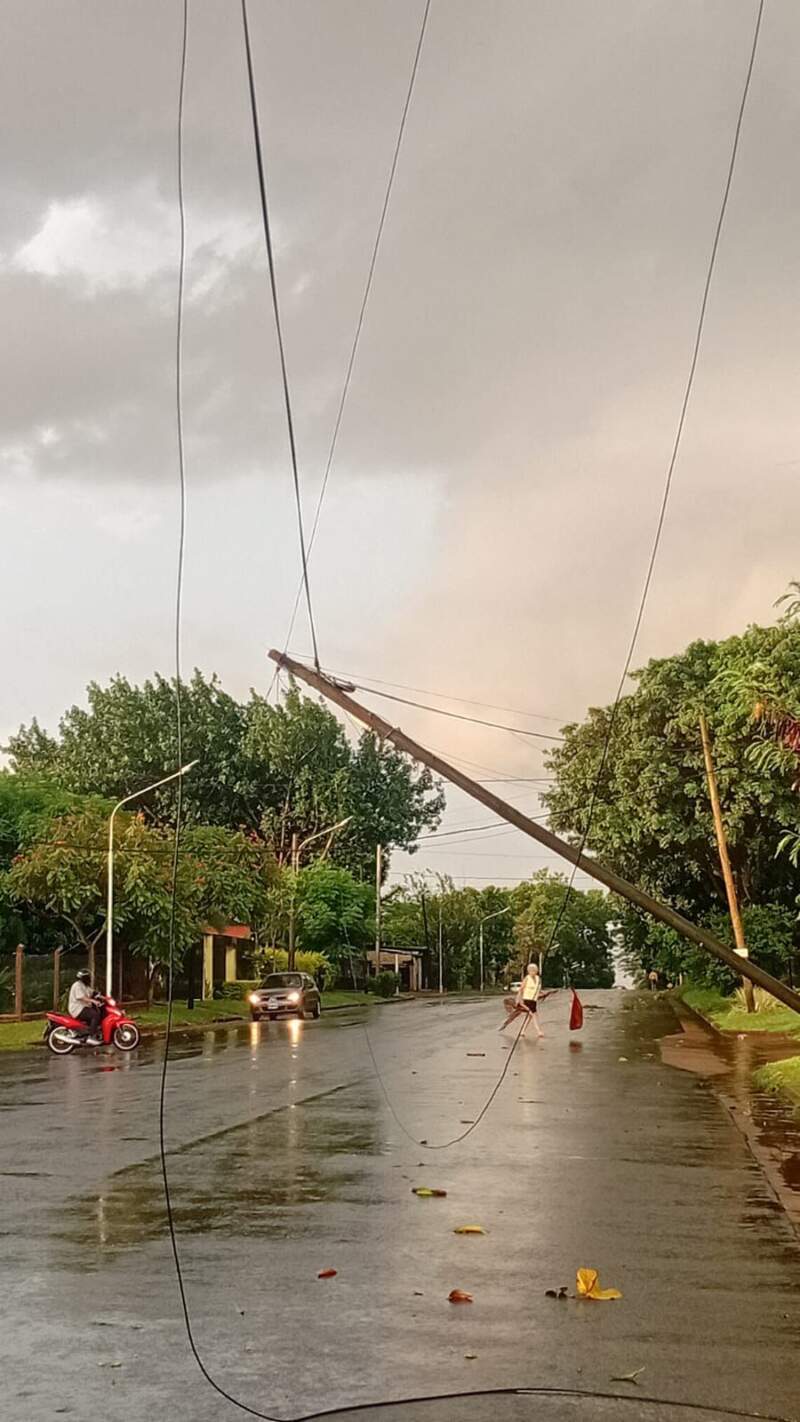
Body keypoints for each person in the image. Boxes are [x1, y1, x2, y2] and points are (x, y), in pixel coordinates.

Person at [68, 970, 102, 1044]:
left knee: (97, 1014)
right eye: (88, 977)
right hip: (78, 1009)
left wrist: (104, 997)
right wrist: (94, 1001)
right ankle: (91, 1037)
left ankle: (90, 1033)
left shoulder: (84, 986)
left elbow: (93, 992)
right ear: (84, 978)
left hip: (83, 1008)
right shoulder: (77, 985)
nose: (89, 979)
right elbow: (81, 997)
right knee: (95, 1015)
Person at [518, 962, 543, 1038]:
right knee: (533, 1015)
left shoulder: (538, 978)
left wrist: (541, 994)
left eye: (534, 970)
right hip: (527, 999)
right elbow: (521, 989)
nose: (532, 972)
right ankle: (539, 1031)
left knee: (530, 1016)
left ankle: (522, 1031)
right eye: (531, 970)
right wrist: (519, 999)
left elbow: (538, 989)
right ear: (528, 971)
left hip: (534, 1000)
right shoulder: (527, 978)